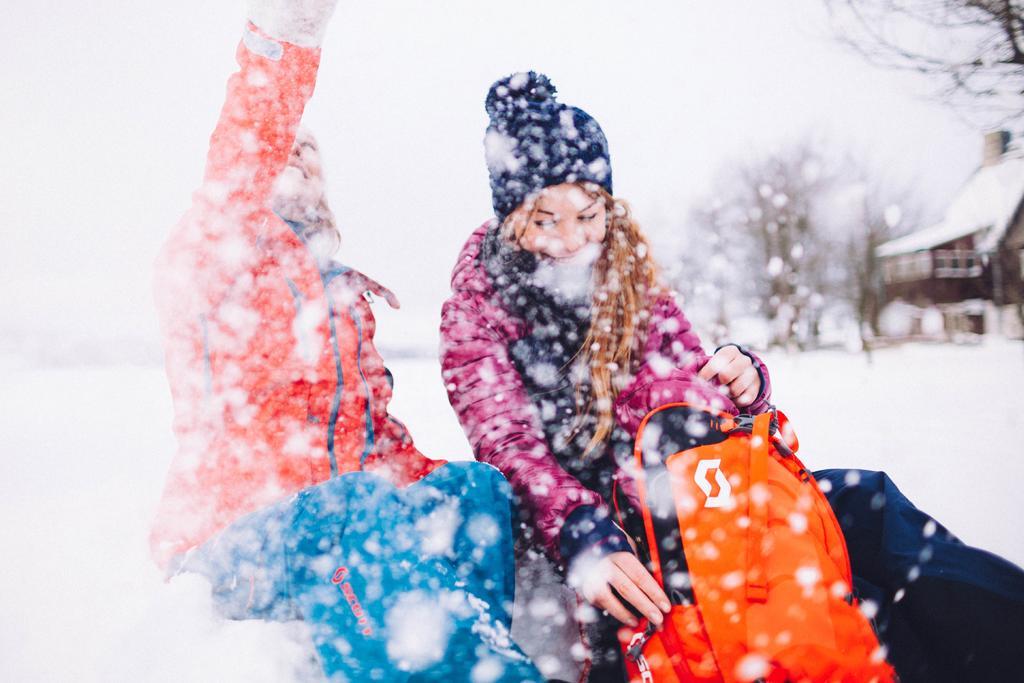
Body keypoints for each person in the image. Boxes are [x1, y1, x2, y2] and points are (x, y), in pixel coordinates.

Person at [439, 71, 1024, 682]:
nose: (572, 241)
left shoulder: (630, 279)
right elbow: (507, 446)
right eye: (544, 220)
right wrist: (580, 525)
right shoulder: (476, 307)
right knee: (772, 606)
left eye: (588, 215)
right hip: (591, 529)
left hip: (685, 492)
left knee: (863, 508)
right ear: (510, 219)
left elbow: (685, 380)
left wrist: (740, 377)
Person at [149, 4, 541, 681]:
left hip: (335, 527)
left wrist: (460, 487)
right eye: (283, 143)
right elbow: (248, 138)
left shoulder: (339, 296)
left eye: (309, 148)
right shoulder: (215, 250)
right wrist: (288, 34)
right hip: (229, 542)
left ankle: (476, 658)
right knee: (352, 505)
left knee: (474, 492)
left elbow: (376, 443)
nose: (295, 149)